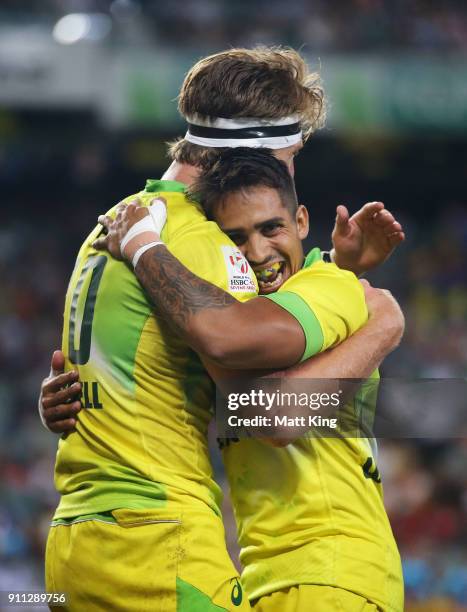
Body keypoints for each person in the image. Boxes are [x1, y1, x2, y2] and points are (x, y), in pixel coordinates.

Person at [41, 48, 404, 611]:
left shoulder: (117, 220)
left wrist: (338, 266)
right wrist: (381, 317)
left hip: (82, 535)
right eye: (288, 154)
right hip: (157, 537)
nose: (288, 170)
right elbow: (257, 399)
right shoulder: (190, 242)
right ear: (253, 151)